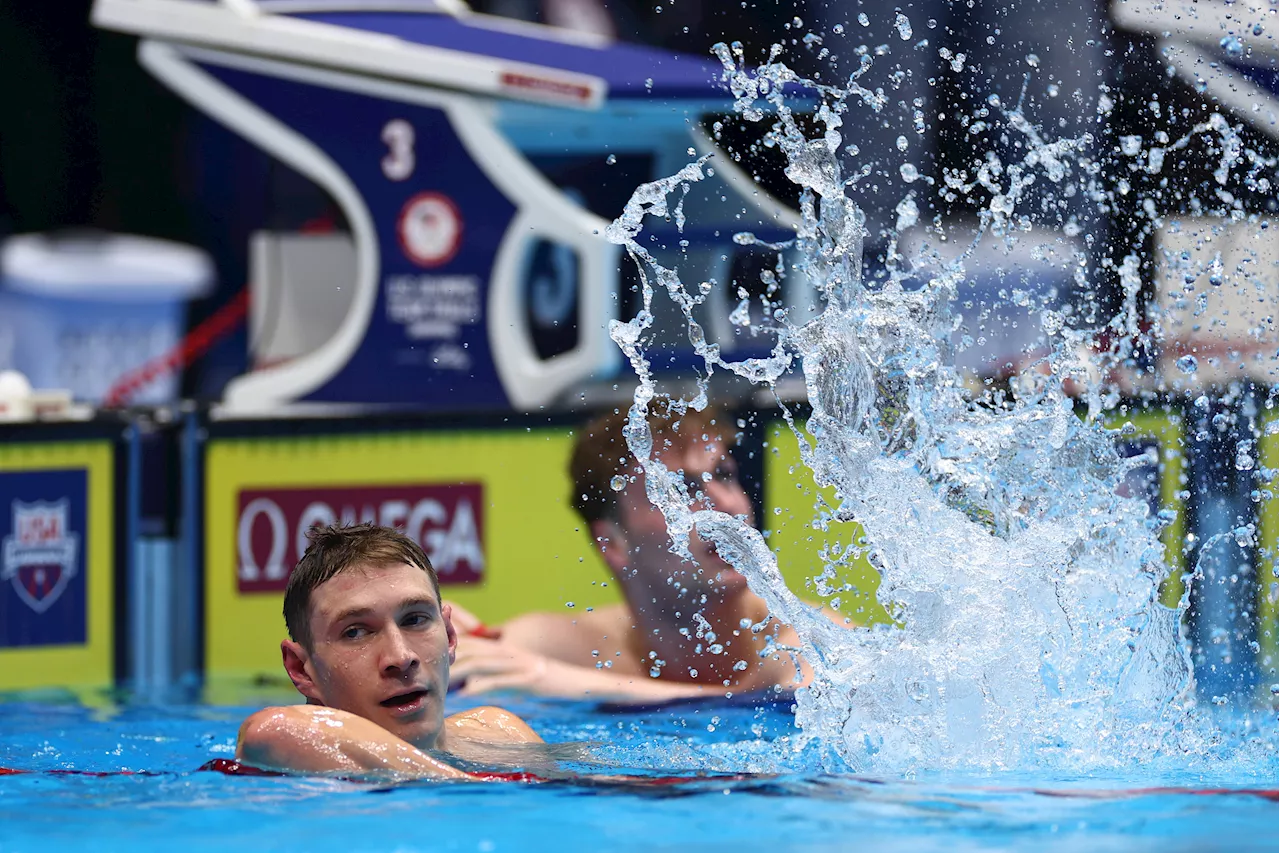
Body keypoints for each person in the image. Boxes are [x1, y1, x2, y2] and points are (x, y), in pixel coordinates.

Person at [450, 407, 844, 703]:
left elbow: (775, 702)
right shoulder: (566, 647)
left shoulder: (806, 635)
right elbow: (461, 666)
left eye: (724, 475)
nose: (727, 506)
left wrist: (561, 682)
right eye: (680, 491)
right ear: (613, 544)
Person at [235, 523, 543, 780]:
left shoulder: (499, 733)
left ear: (450, 637)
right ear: (303, 670)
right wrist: (471, 786)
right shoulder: (281, 747)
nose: (400, 657)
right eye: (355, 632)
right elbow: (271, 731)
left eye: (415, 620)